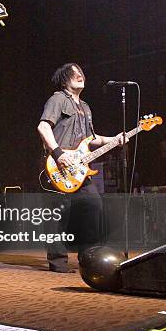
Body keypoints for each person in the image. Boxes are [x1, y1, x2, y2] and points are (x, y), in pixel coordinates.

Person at [37, 63, 126, 272]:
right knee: (59, 213)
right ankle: (58, 261)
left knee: (93, 204)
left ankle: (87, 256)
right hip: (58, 165)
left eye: (81, 73)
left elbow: (90, 139)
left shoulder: (85, 107)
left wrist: (115, 139)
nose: (80, 76)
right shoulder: (57, 99)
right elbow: (43, 127)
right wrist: (58, 153)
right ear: (64, 79)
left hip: (79, 168)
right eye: (74, 73)